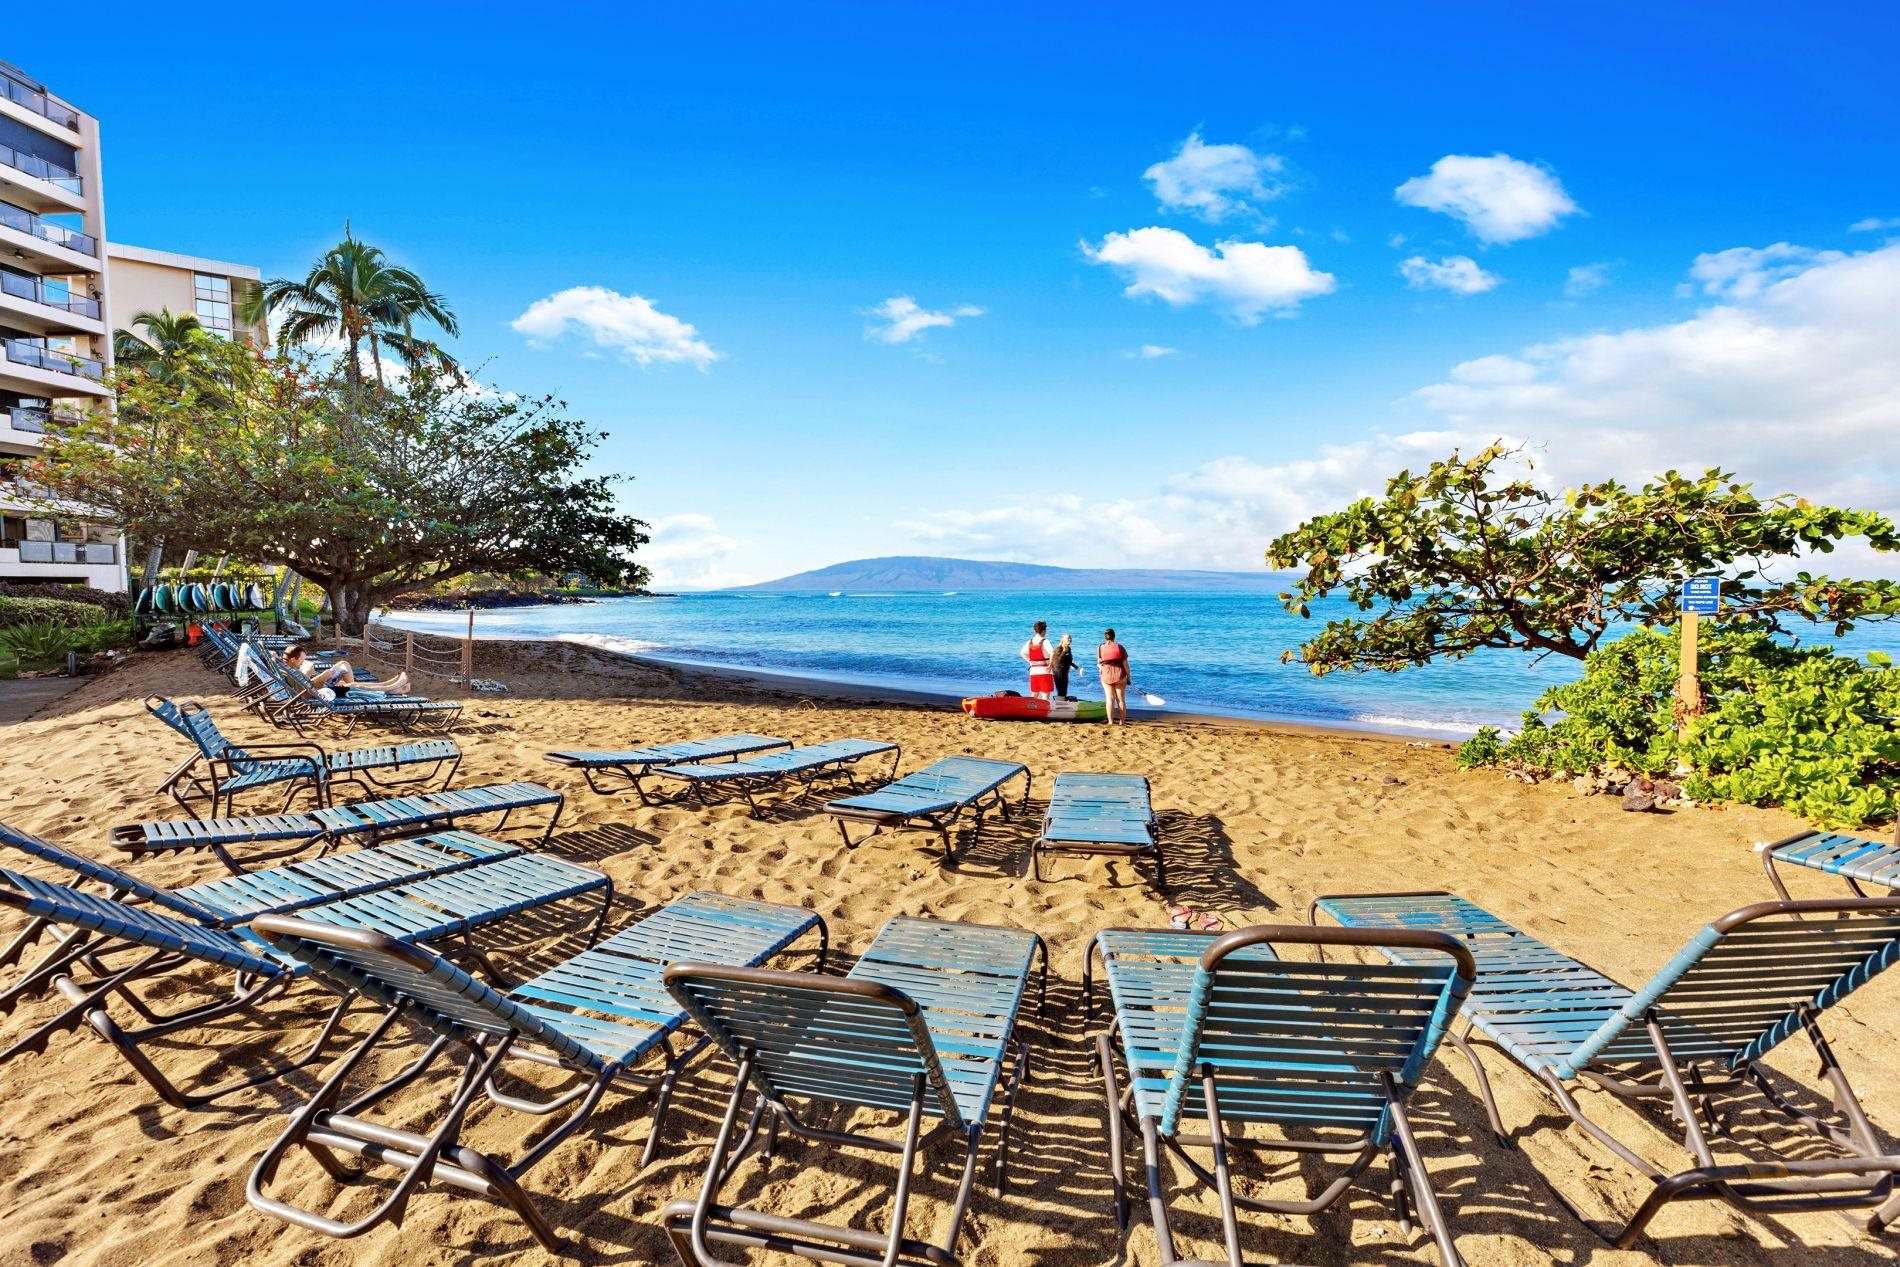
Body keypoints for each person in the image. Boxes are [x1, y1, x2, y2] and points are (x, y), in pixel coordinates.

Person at [283, 643, 411, 698]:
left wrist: (320, 677)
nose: (302, 663)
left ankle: (389, 686)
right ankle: (394, 687)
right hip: (318, 693)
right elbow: (303, 691)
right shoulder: (290, 670)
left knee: (344, 666)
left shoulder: (287, 668)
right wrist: (317, 676)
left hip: (317, 688)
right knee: (353, 686)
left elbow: (303, 684)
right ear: (293, 659)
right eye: (301, 660)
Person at [1097, 627, 1130, 725]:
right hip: (1119, 675)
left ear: (1105, 637)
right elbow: (1126, 665)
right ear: (1114, 636)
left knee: (1109, 699)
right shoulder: (1120, 647)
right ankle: (1122, 721)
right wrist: (1129, 677)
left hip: (1106, 676)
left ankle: (1110, 721)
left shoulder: (1100, 648)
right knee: (1121, 699)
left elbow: (1099, 663)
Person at [1020, 621, 1055, 700]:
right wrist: (1050, 664)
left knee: (1034, 694)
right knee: (1045, 696)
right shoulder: (1045, 641)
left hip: (1033, 672)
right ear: (1043, 630)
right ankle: (1045, 711)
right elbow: (1052, 652)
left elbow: (1022, 653)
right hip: (1045, 672)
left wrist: (1030, 661)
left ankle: (1031, 709)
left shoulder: (1030, 641)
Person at [1050, 633, 1077, 698]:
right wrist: (1064, 652)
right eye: (1068, 638)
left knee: (1064, 691)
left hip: (1065, 672)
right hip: (1058, 672)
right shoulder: (1059, 648)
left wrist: (1077, 667)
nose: (1070, 639)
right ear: (1063, 640)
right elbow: (1058, 660)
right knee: (1061, 690)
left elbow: (1068, 661)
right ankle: (1059, 705)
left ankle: (1062, 704)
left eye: (1070, 638)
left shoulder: (1068, 648)